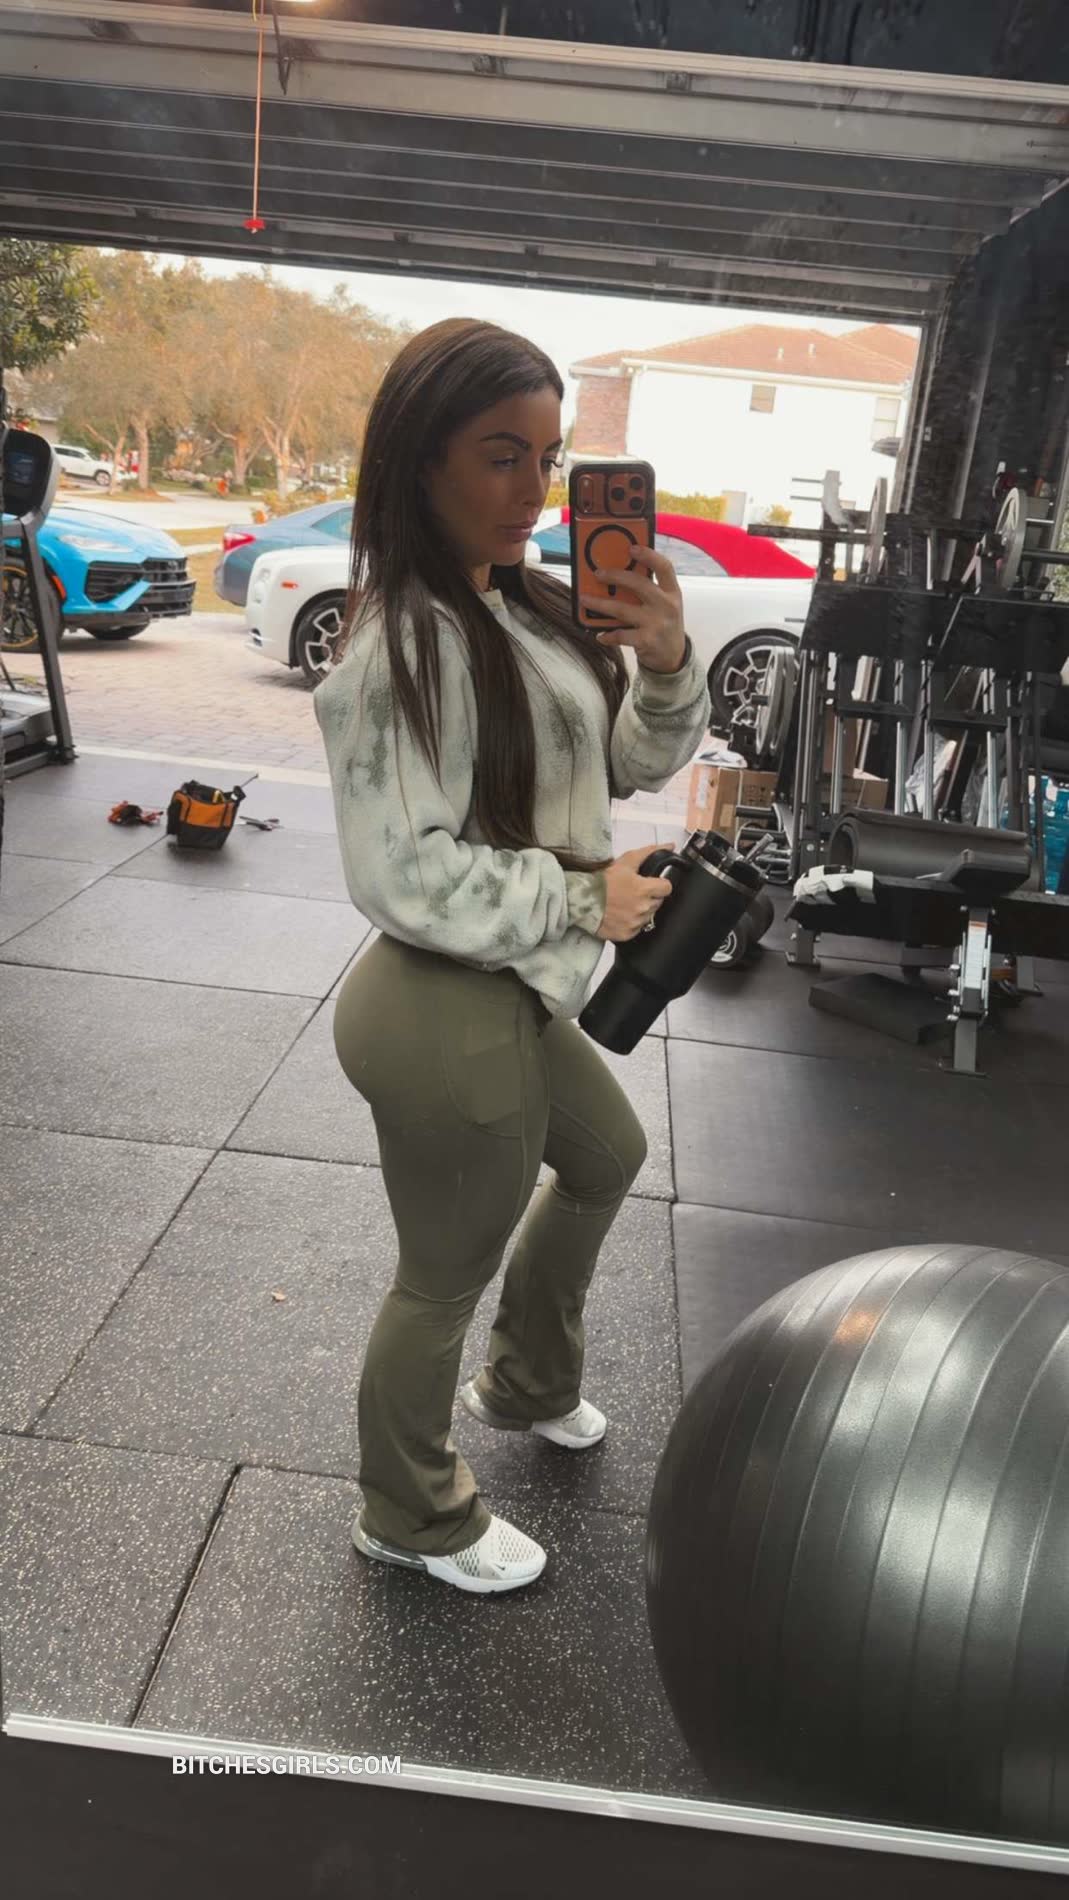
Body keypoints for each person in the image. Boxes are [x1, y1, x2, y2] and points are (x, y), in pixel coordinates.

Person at [312, 317, 711, 1596]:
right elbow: (402, 874)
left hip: (515, 984)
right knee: (442, 1274)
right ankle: (410, 1513)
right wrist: (583, 898)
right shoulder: (397, 645)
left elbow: (624, 763)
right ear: (419, 459)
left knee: (607, 1154)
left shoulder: (525, 604)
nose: (534, 488)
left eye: (548, 458)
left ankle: (528, 1381)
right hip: (438, 1007)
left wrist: (663, 664)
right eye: (500, 455)